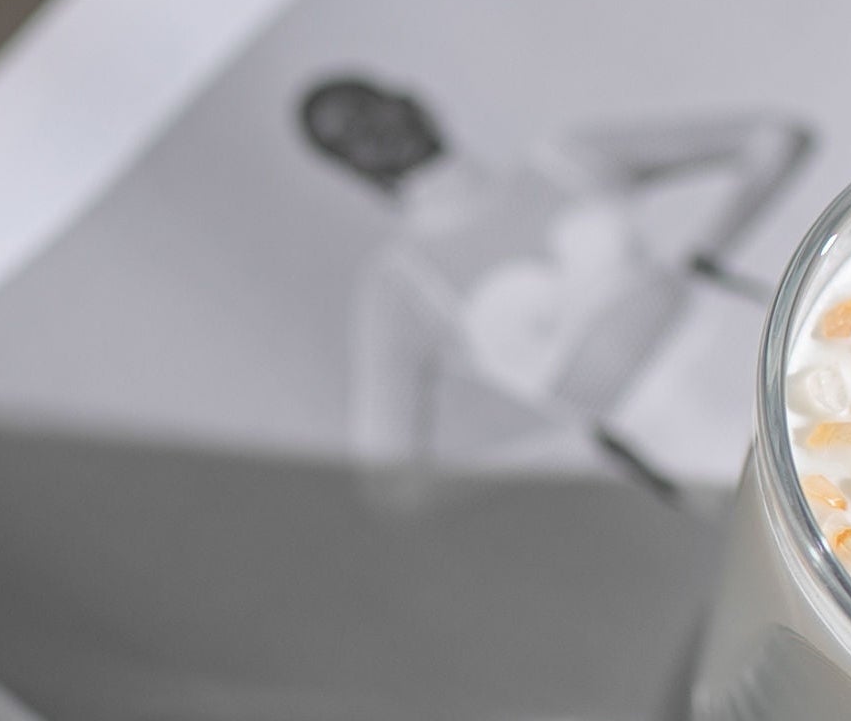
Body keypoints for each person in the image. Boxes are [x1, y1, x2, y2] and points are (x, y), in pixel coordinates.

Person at [301, 79, 814, 499]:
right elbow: (391, 483)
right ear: (348, 167)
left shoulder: (565, 160)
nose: (372, 134)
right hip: (688, 439)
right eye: (348, 138)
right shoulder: (403, 288)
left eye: (369, 110)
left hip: (758, 346)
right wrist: (568, 453)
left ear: (406, 98)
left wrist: (705, 253)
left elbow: (776, 137)